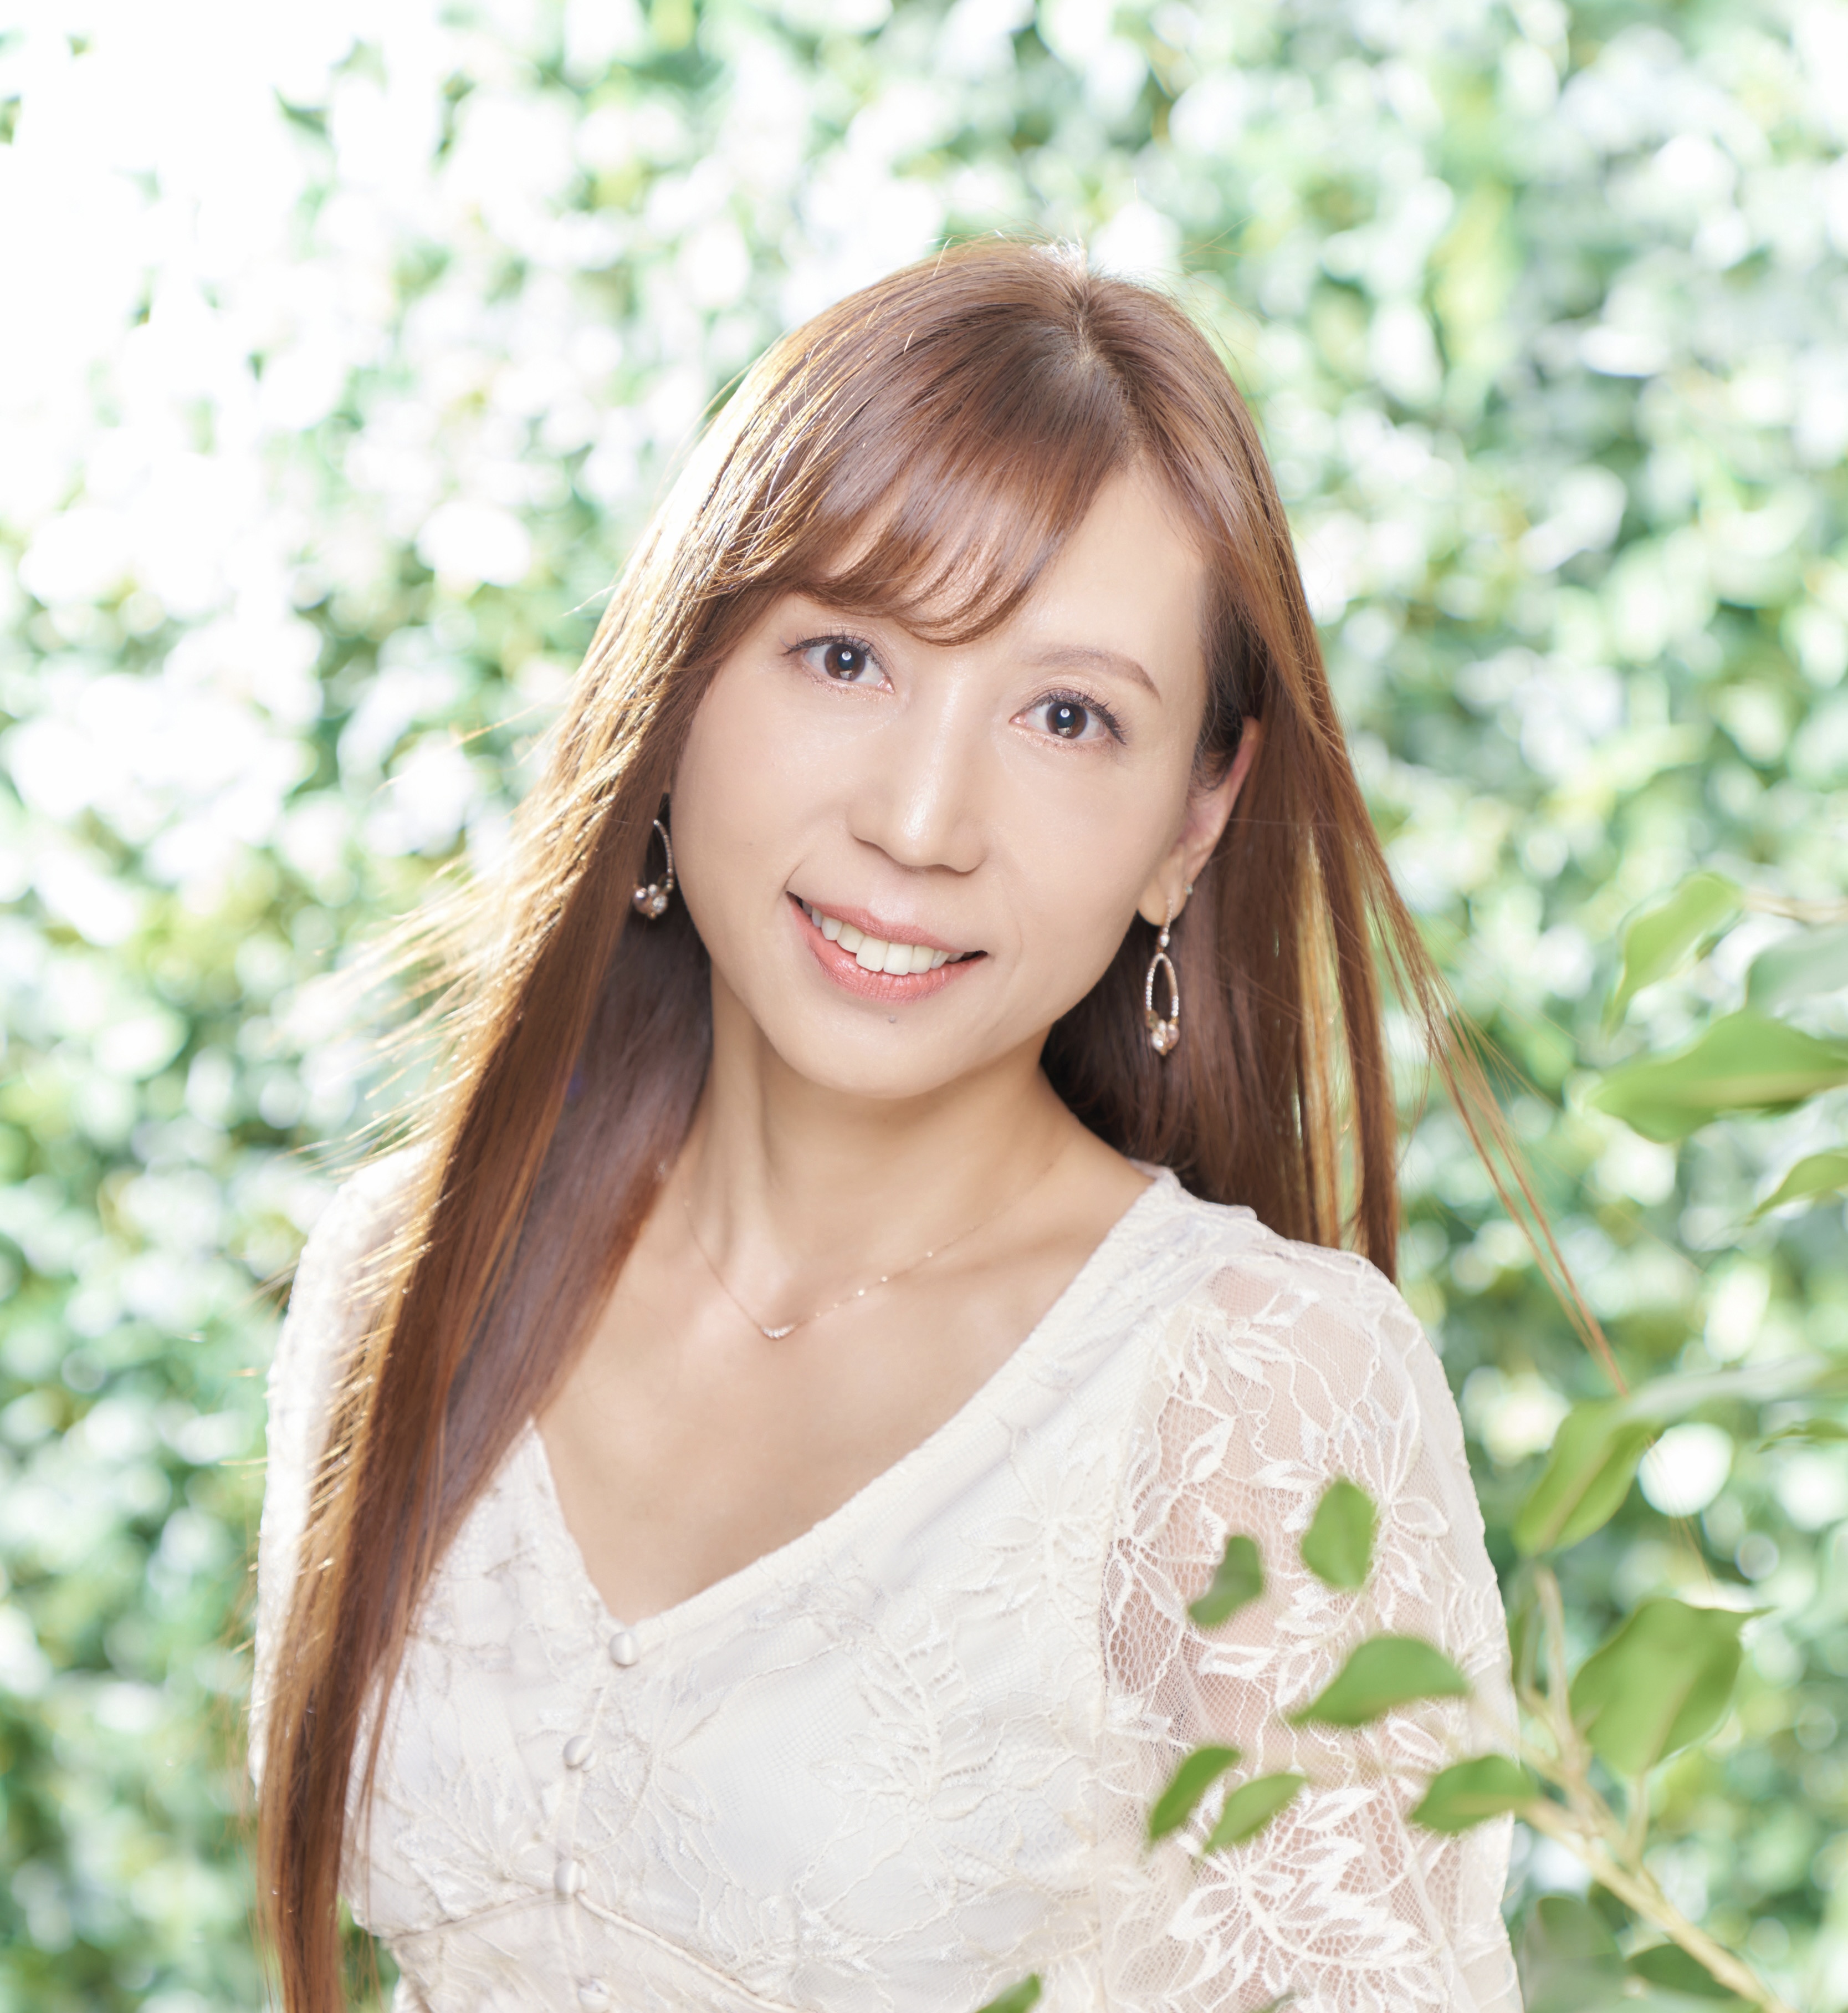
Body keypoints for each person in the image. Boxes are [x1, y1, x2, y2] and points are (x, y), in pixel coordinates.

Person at [252, 240, 1524, 2012]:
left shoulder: (1255, 1401)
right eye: (846, 656)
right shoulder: (409, 1270)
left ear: (1193, 819)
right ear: (684, 678)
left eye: (1069, 716)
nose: (923, 822)